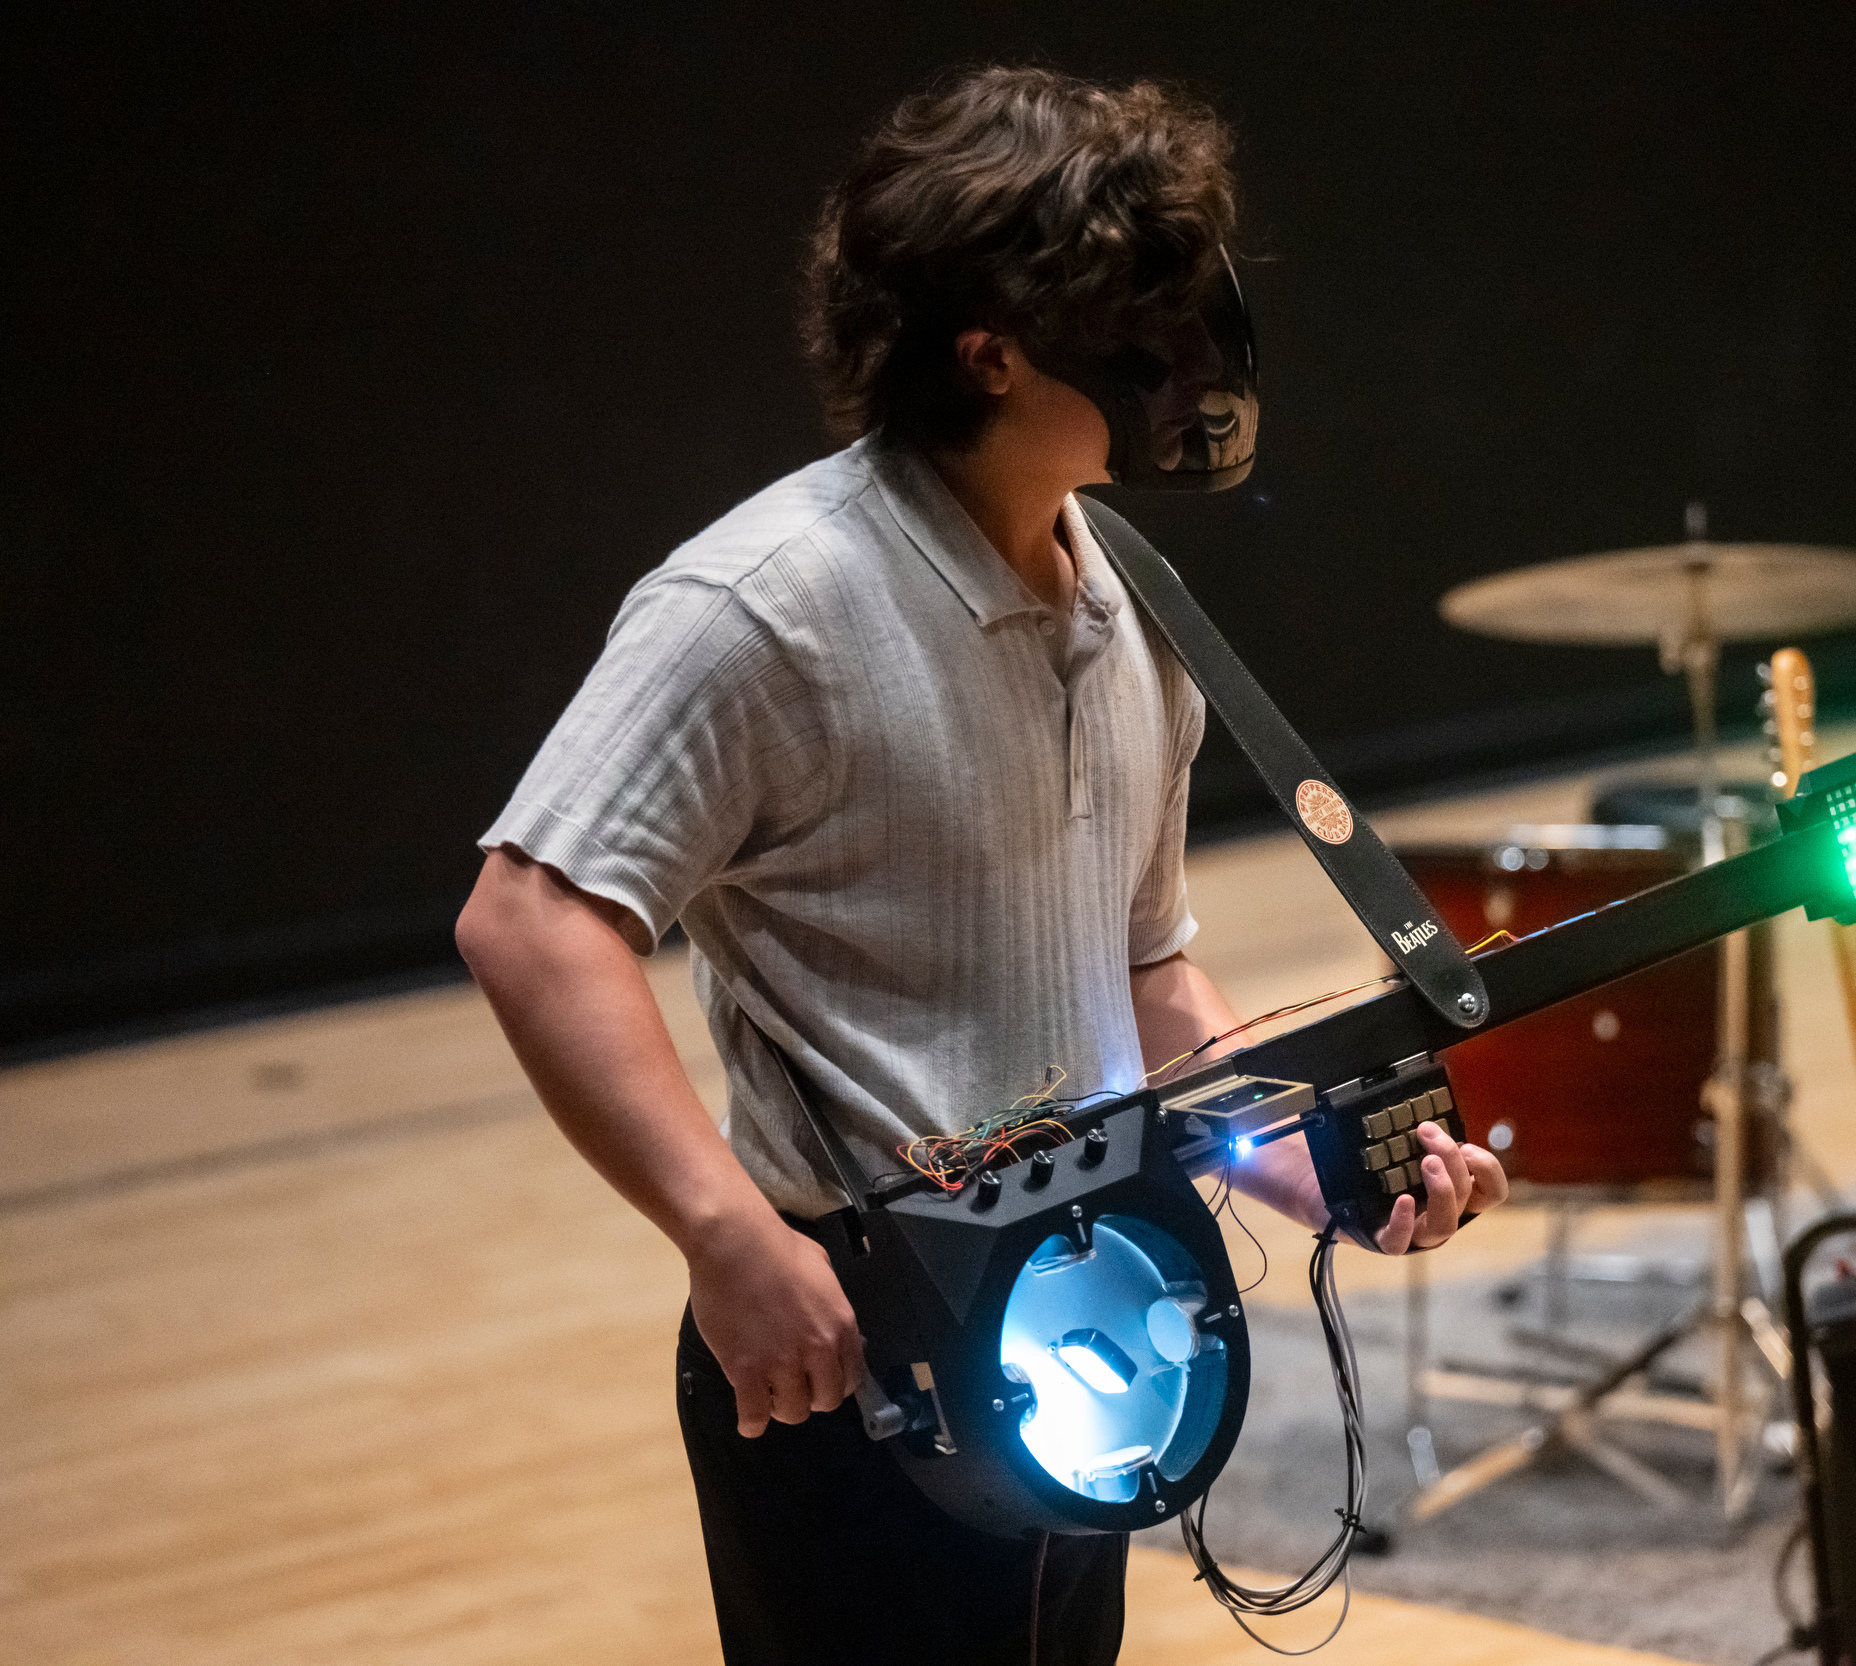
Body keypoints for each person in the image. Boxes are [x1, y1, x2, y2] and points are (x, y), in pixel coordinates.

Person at [456, 65, 1507, 1666]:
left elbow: (1144, 969)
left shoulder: (1129, 602)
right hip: (853, 1342)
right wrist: (727, 1235)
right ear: (992, 353)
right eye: (1141, 329)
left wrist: (1301, 1165)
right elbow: (530, 920)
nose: (1192, 364)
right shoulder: (765, 604)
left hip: (1090, 1312)